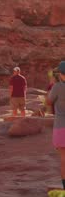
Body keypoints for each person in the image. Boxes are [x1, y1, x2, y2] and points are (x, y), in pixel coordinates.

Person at [45, 60, 65, 190]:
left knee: (64, 159)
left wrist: (52, 86)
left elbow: (48, 102)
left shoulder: (58, 86)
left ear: (61, 74)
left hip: (61, 126)